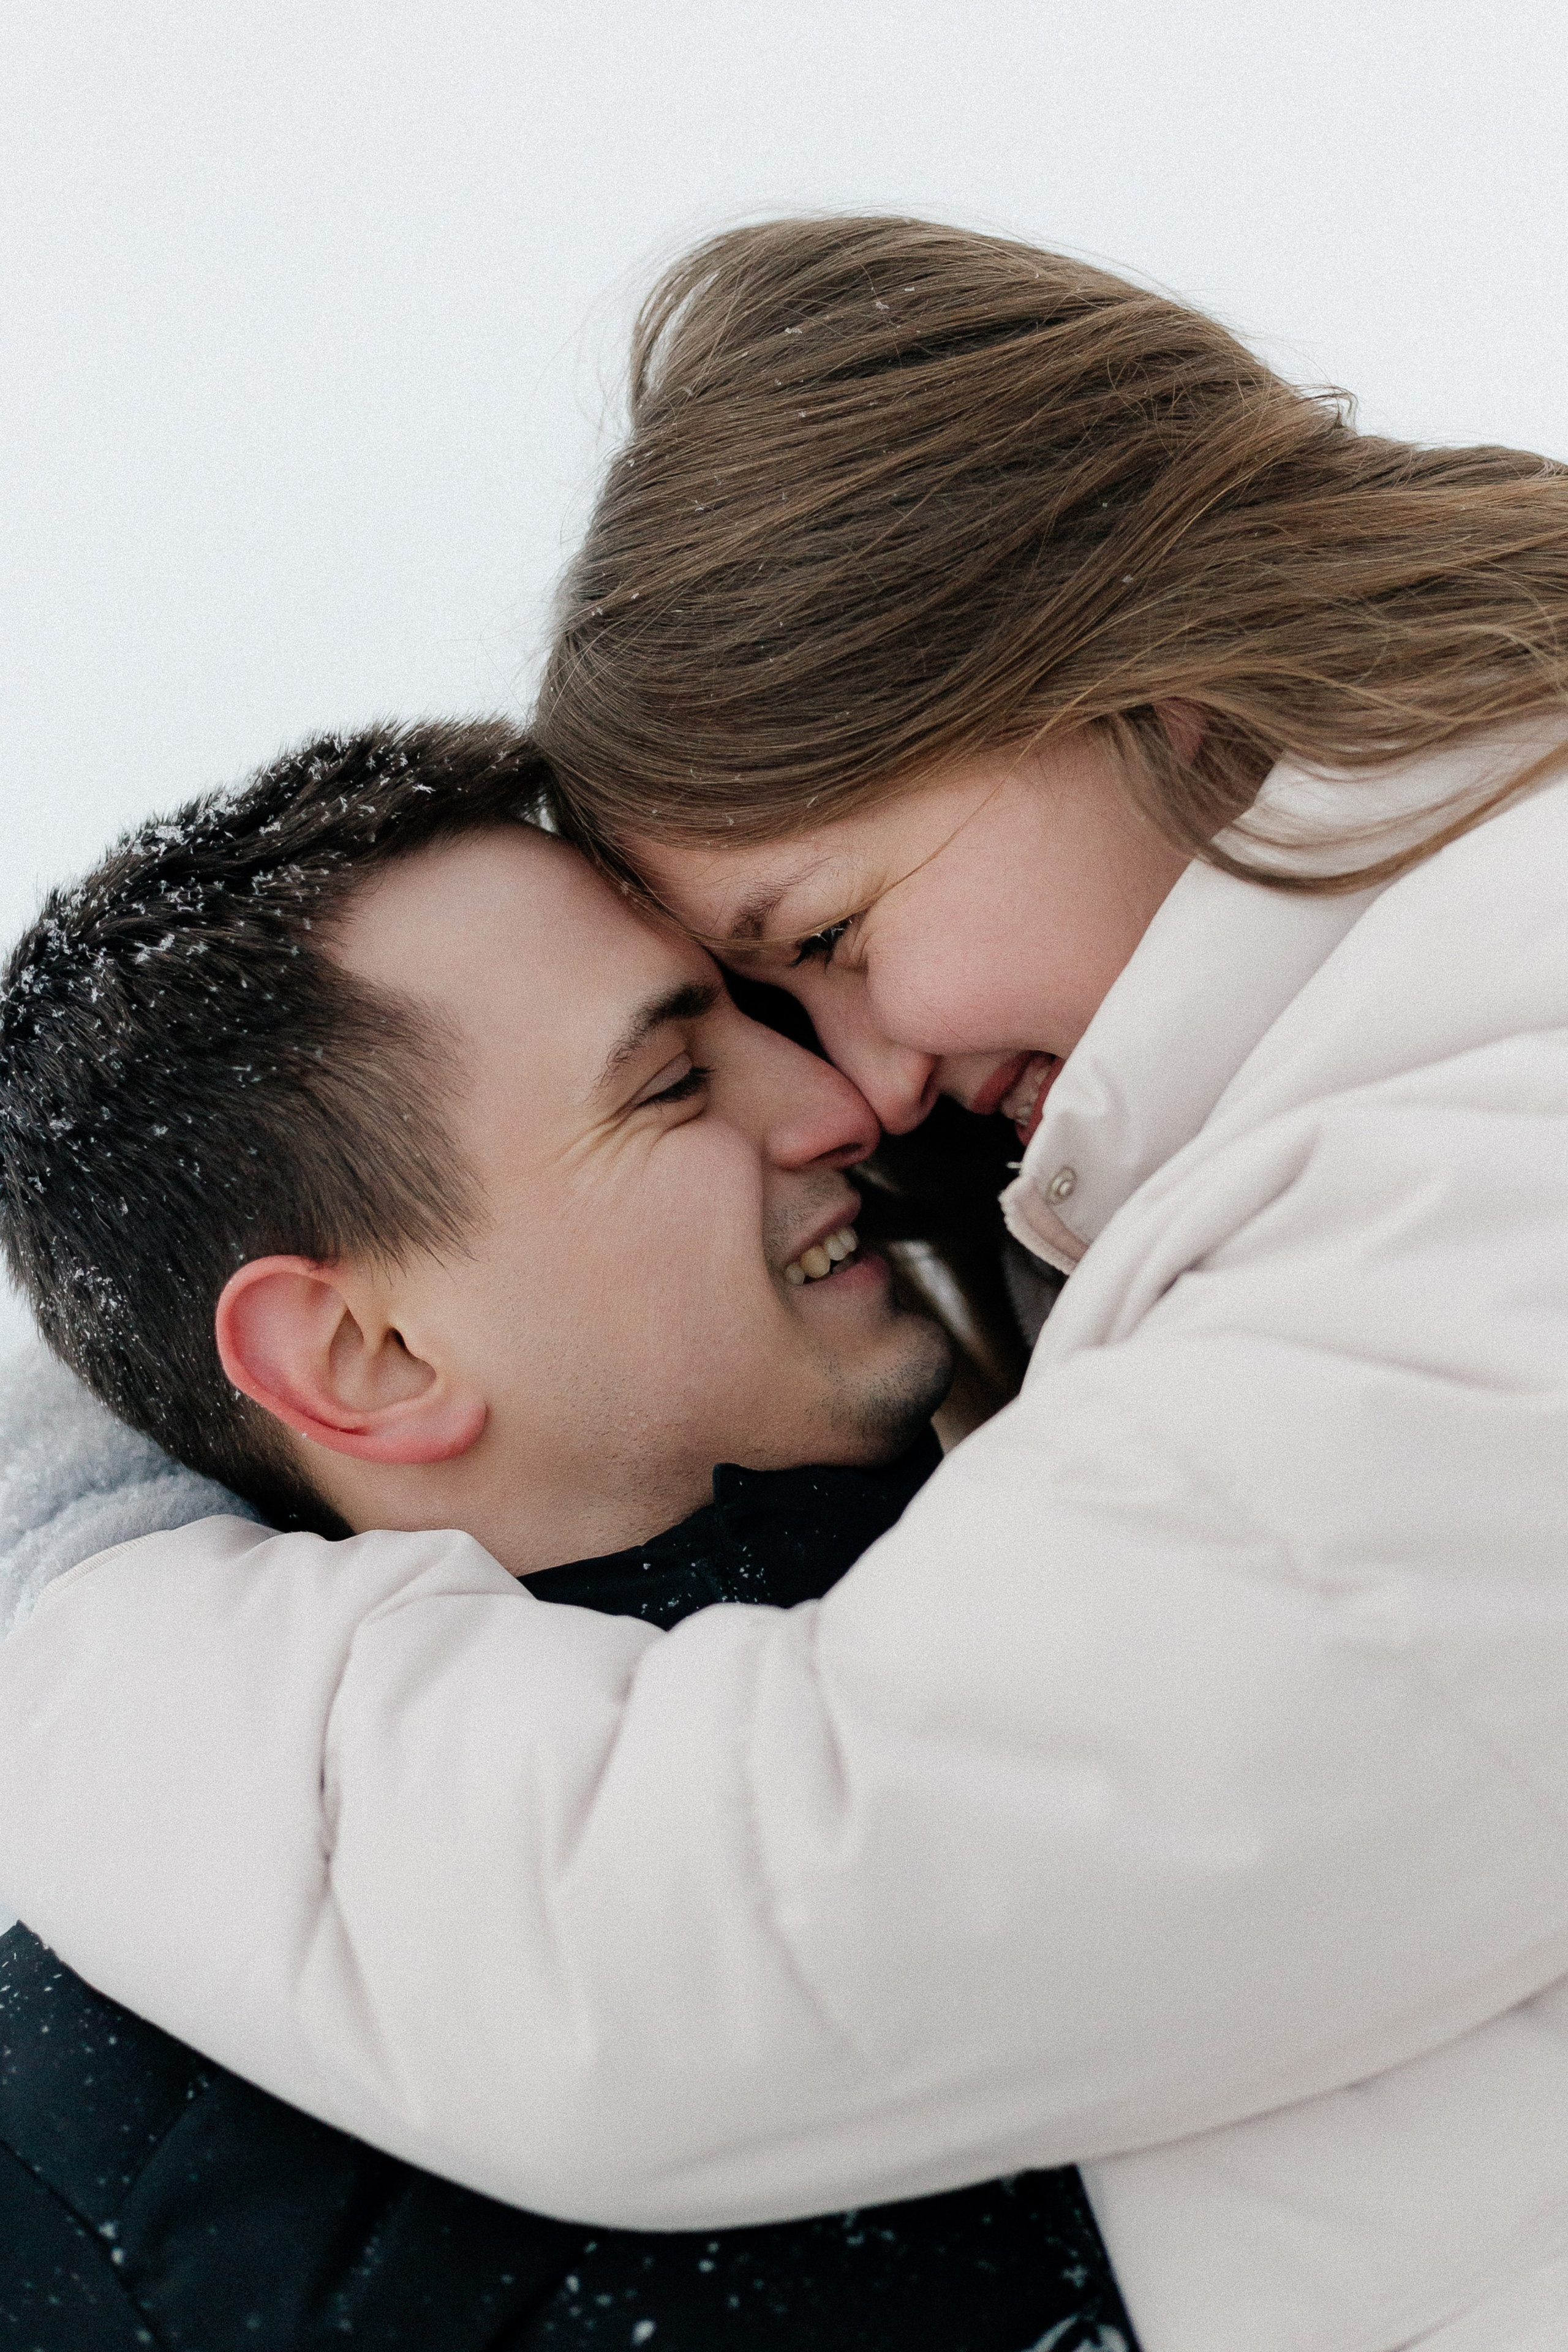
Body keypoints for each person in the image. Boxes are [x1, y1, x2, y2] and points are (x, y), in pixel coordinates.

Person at [4, 211, 1568, 2352]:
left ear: (1127, 674)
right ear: (353, 1345)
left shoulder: (1487, 1115)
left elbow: (758, 1938)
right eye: (700, 1054)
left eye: (819, 941)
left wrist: (85, 1577)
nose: (859, 1087)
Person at [0, 720, 1134, 2351]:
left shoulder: (1181, 1564)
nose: (840, 1102)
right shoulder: (101, 2154)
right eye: (674, 1080)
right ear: (368, 1360)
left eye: (766, 1016)